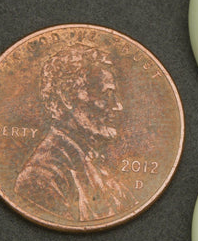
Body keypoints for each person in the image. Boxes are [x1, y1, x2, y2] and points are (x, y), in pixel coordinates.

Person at [15, 43, 135, 222]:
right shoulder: (40, 178)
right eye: (106, 95)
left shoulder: (92, 162)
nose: (118, 106)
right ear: (66, 96)